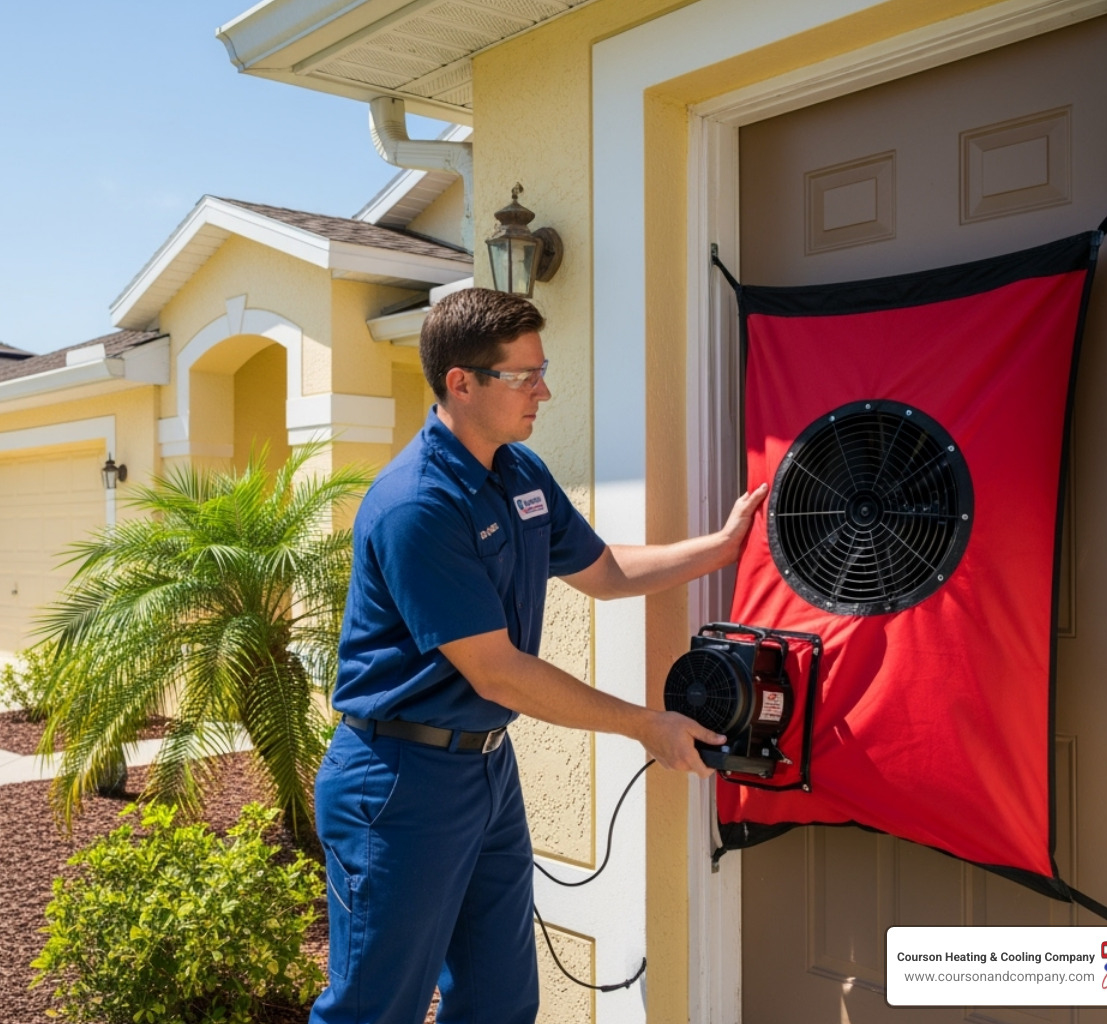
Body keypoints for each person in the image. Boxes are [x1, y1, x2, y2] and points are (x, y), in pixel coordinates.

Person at [310, 287, 767, 1024]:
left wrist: (717, 550)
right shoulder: (417, 504)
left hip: (487, 769)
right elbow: (497, 670)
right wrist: (646, 725)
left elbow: (606, 572)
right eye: (524, 375)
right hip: (399, 782)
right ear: (461, 383)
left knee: (500, 1000)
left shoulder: (520, 475)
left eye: (542, 370)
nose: (544, 391)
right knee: (373, 1009)